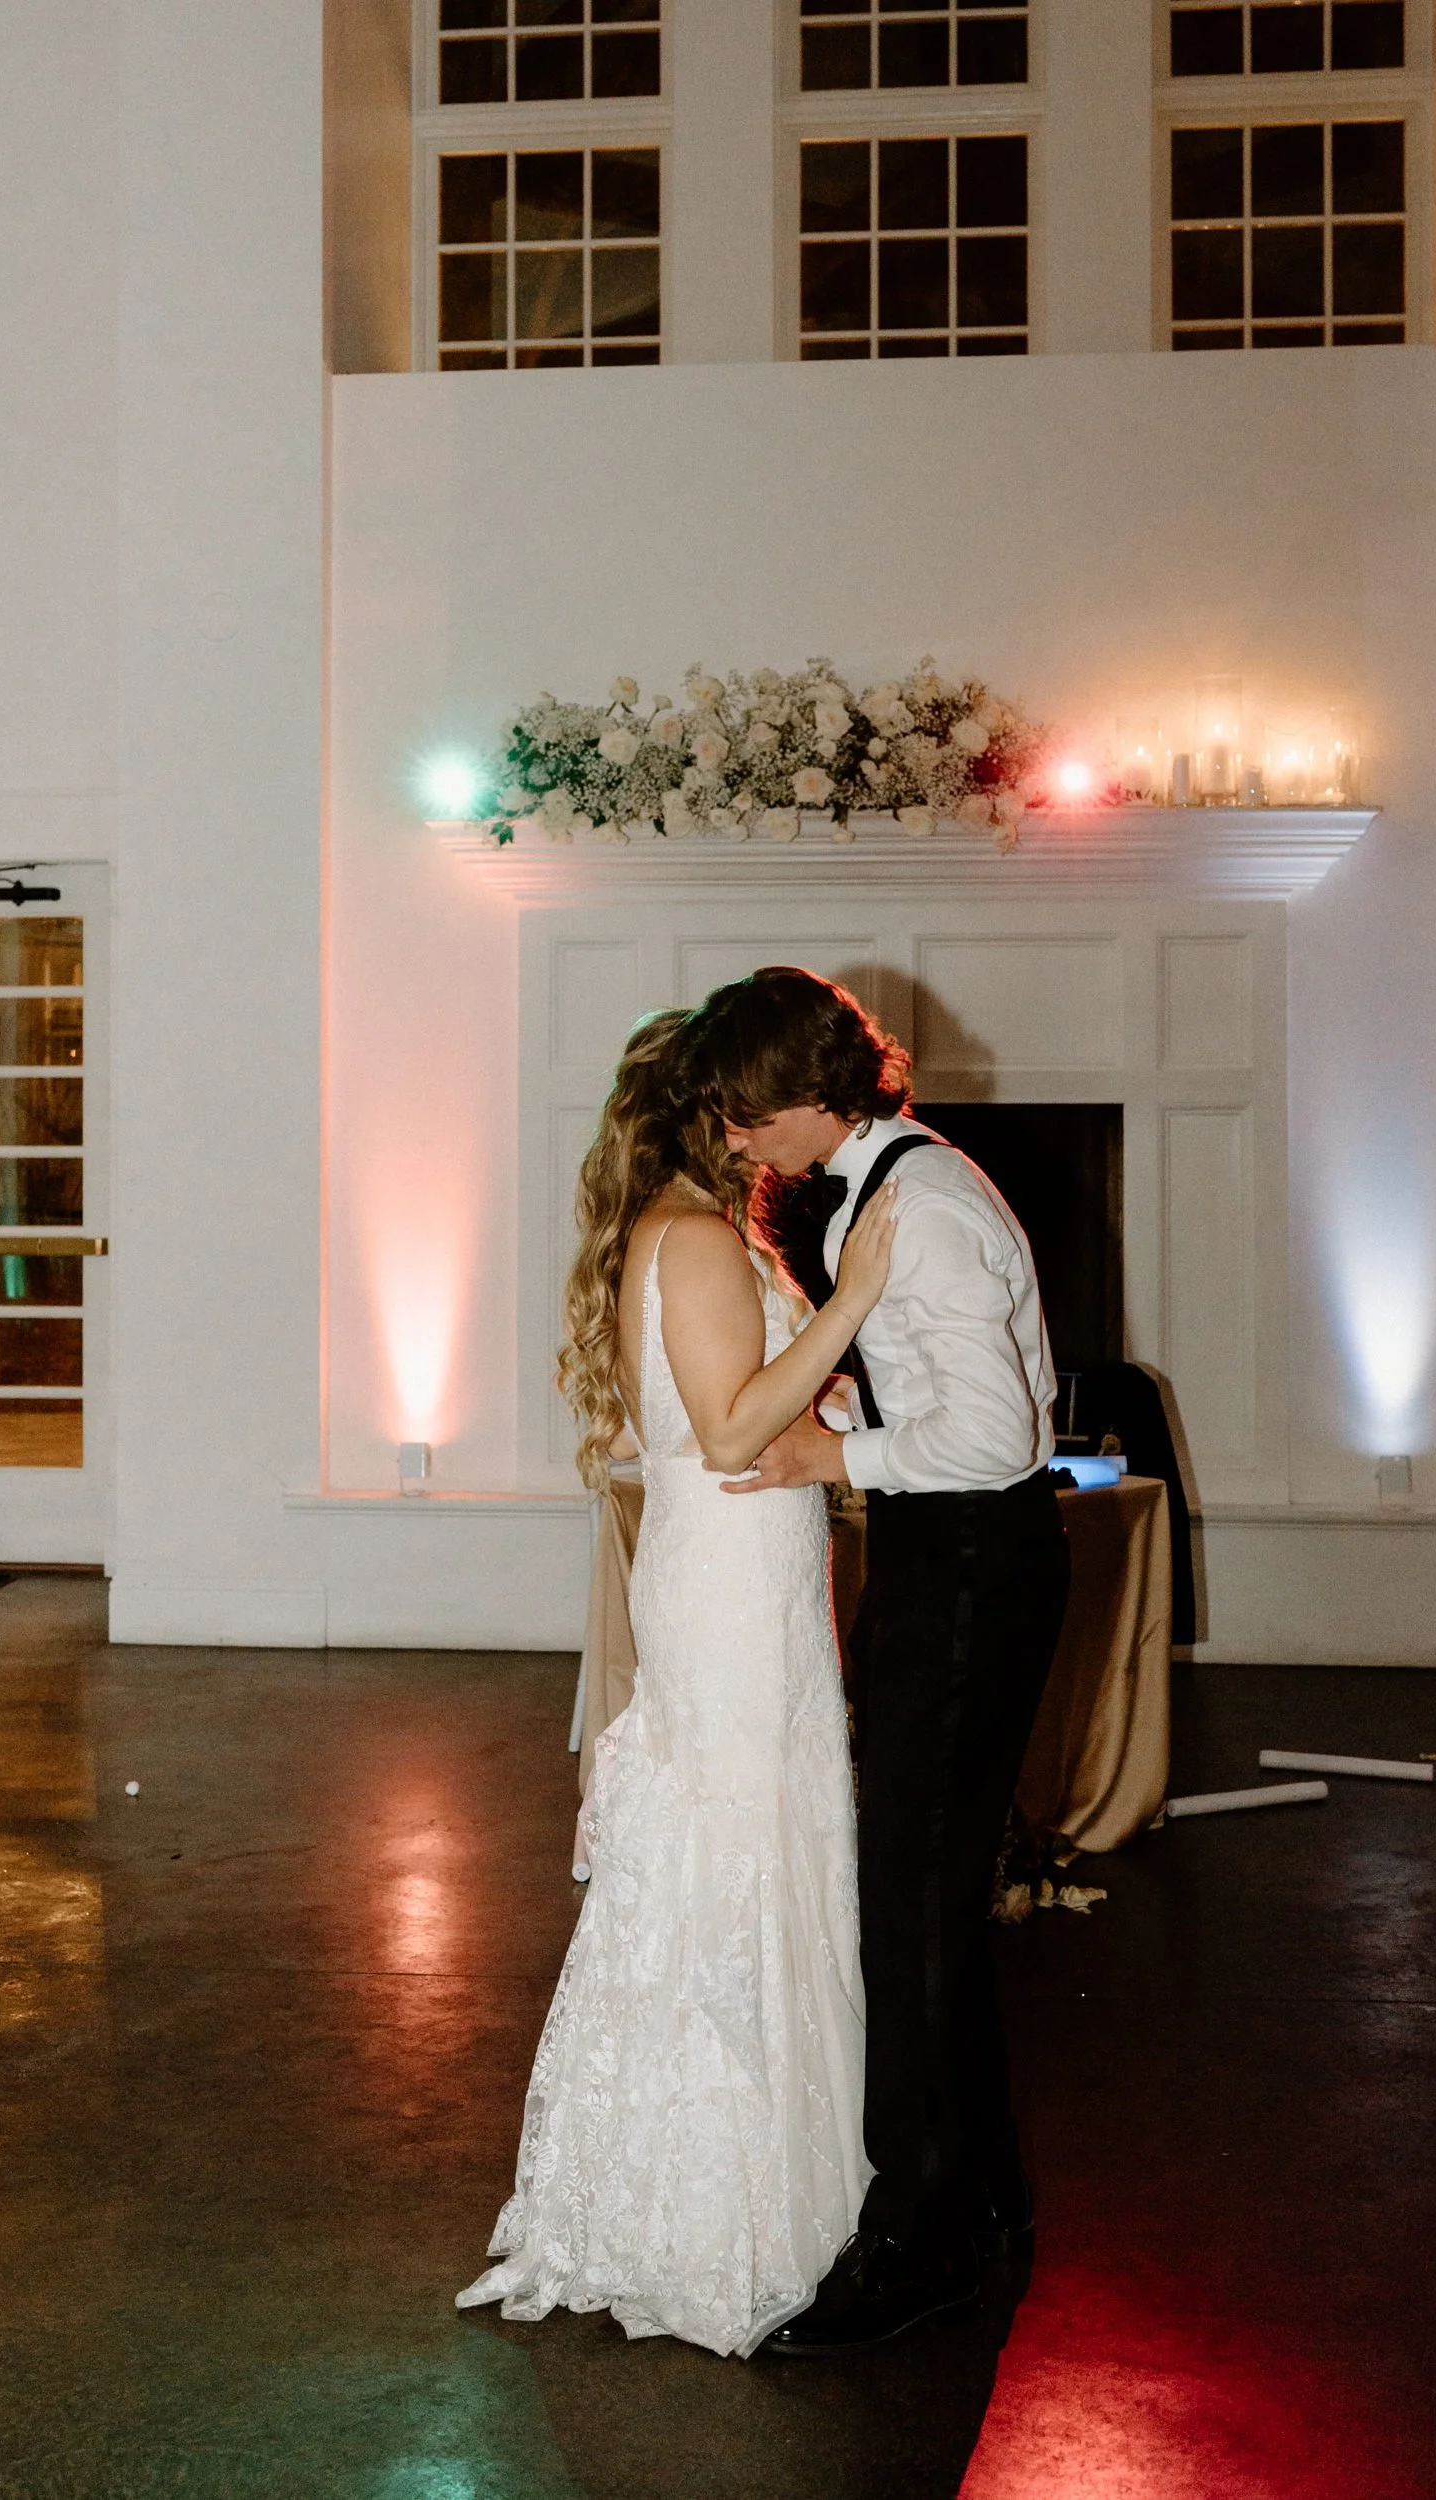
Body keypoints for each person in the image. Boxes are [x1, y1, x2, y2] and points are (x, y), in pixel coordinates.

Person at [456, 1009, 898, 2357]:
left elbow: (767, 1411)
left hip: (752, 1577)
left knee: (755, 1853)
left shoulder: (707, 1235)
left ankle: (738, 2193)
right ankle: (718, 2221)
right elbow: (725, 1429)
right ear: (717, 1117)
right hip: (727, 1596)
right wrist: (862, 1298)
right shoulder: (698, 1240)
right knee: (735, 1861)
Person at [682, 968, 1070, 2355]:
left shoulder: (932, 1213)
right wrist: (853, 1391)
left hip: (970, 1569)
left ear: (811, 1089)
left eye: (742, 1115)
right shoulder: (886, 1187)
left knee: (904, 1909)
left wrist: (834, 1451)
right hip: (947, 1567)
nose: (732, 1143)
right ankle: (983, 2207)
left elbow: (1002, 1443)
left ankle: (913, 2240)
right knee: (919, 1900)